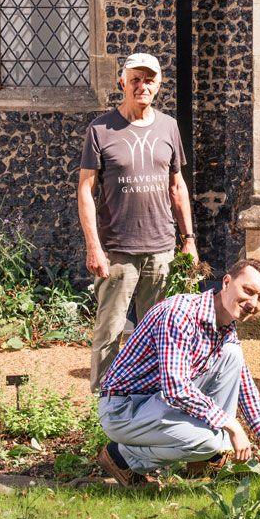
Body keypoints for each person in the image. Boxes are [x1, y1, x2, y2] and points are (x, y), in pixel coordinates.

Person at [95, 259, 260, 486]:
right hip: (125, 409)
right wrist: (232, 425)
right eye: (248, 291)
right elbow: (176, 389)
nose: (253, 303)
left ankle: (204, 461)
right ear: (227, 282)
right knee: (211, 442)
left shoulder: (225, 326)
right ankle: (122, 457)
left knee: (232, 356)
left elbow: (244, 386)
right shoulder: (179, 314)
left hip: (156, 404)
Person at [78, 52, 199, 392]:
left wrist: (188, 238)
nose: (142, 86)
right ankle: (103, 402)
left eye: (149, 80)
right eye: (135, 79)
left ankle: (154, 395)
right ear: (123, 83)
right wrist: (94, 247)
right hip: (118, 250)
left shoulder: (169, 127)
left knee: (159, 330)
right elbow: (86, 190)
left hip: (161, 248)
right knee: (110, 330)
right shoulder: (101, 129)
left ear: (158, 86)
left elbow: (177, 185)